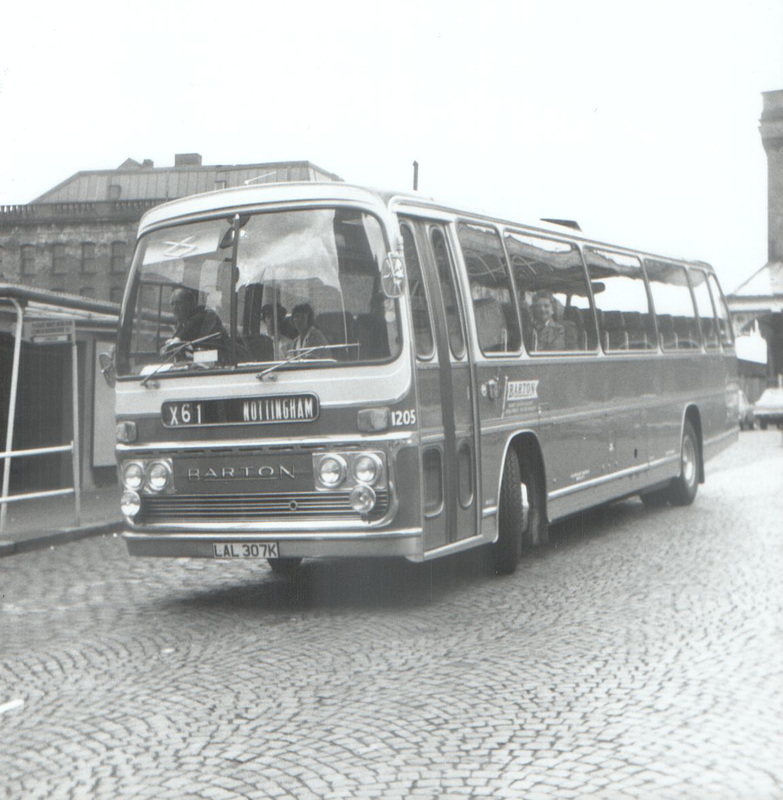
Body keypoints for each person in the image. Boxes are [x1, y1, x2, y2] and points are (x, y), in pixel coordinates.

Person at [162, 287, 226, 358]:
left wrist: (177, 340)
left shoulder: (204, 314)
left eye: (178, 303)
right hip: (204, 362)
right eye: (172, 304)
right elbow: (173, 342)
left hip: (223, 362)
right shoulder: (183, 323)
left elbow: (189, 328)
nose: (174, 307)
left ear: (189, 304)